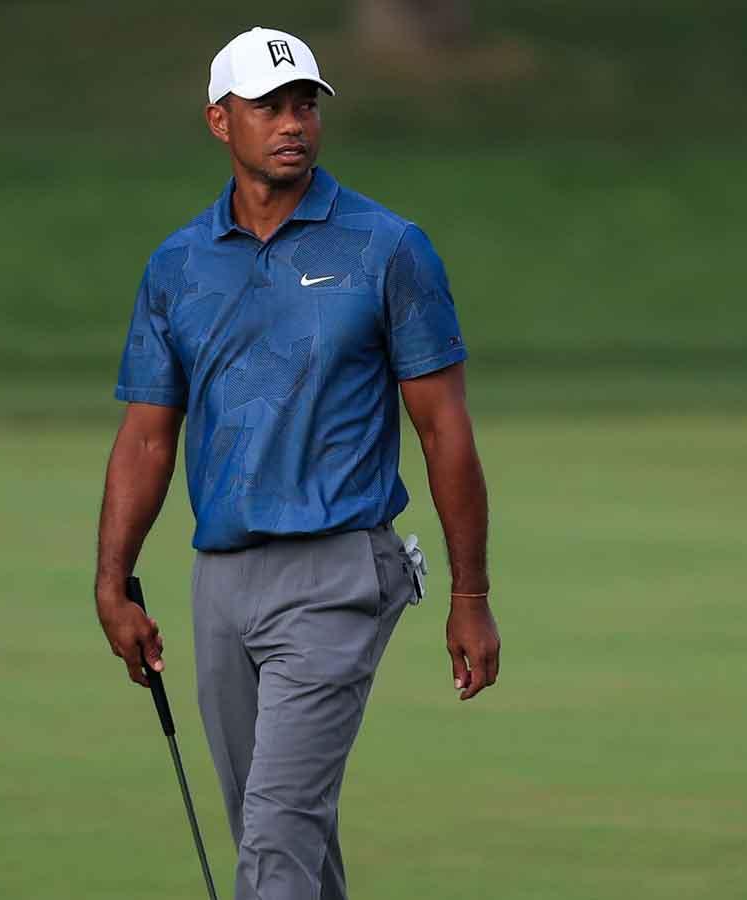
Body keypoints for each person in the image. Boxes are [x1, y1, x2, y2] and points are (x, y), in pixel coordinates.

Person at [91, 27, 500, 900]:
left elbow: (444, 431)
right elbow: (147, 436)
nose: (293, 124)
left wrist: (471, 597)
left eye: (305, 104)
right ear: (219, 120)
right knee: (281, 836)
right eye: (269, 106)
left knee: (274, 843)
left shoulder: (387, 248)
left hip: (339, 571)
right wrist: (114, 579)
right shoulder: (177, 265)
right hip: (221, 581)